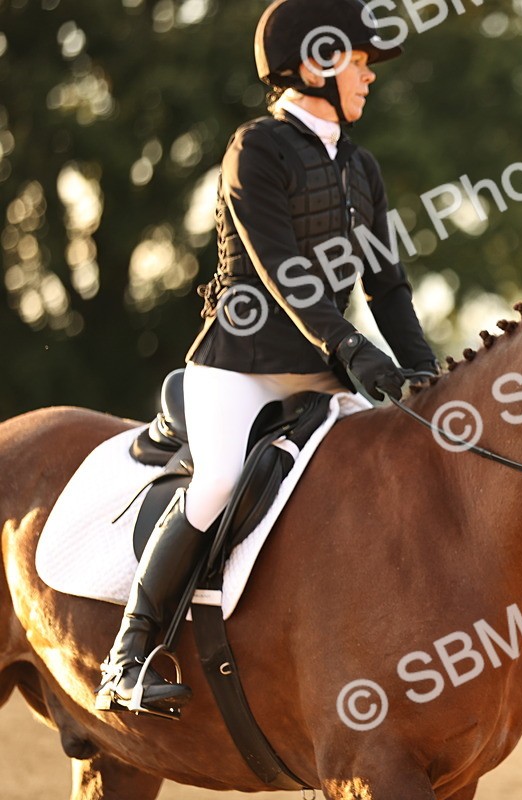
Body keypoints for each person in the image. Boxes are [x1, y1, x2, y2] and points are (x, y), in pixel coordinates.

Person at [95, 0, 437, 716]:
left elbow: (387, 284)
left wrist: (430, 378)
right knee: (219, 478)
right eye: (360, 61)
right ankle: (129, 654)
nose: (370, 77)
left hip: (318, 371)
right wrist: (353, 350)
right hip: (237, 367)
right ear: (315, 65)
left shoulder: (360, 167)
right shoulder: (255, 148)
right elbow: (285, 271)